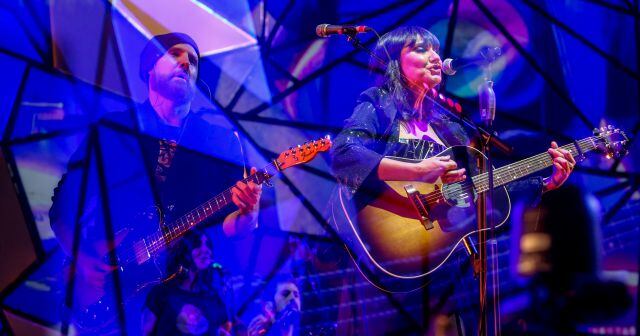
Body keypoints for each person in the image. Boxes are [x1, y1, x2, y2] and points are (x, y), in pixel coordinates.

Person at [330, 26, 576, 334]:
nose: (434, 56)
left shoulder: (450, 127)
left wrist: (547, 183)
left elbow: (487, 187)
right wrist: (419, 171)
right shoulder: (379, 104)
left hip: (449, 264)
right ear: (395, 62)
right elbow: (344, 153)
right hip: (393, 257)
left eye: (434, 49)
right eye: (420, 49)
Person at [49, 32, 262, 334]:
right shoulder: (114, 131)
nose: (186, 63)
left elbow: (228, 227)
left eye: (194, 60)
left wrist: (248, 213)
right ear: (149, 67)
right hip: (108, 286)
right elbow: (64, 202)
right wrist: (84, 256)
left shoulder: (218, 141)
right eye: (175, 54)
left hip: (178, 300)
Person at [141, 228, 231, 336]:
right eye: (197, 244)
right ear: (183, 252)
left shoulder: (212, 296)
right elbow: (146, 332)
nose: (205, 249)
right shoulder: (161, 293)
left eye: (208, 245)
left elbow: (226, 328)